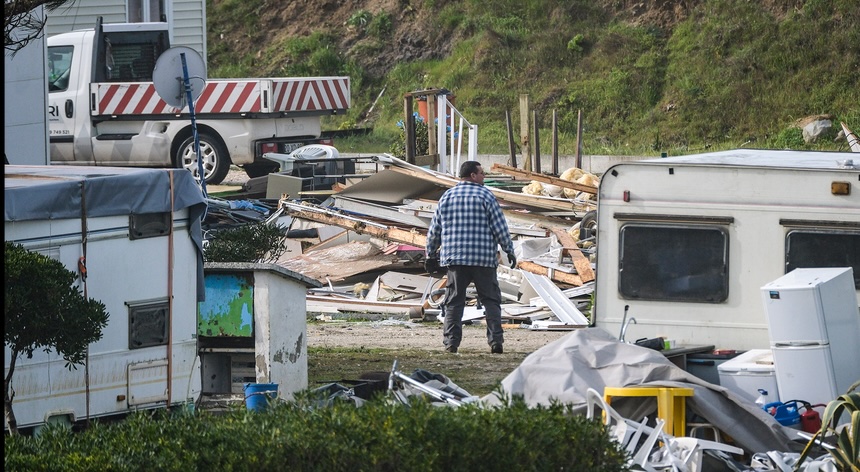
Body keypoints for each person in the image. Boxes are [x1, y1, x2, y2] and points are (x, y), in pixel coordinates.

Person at [425, 161, 516, 354]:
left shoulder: (447, 197)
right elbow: (500, 228)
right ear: (473, 175)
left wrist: (430, 254)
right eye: (482, 173)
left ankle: (451, 343)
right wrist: (509, 249)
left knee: (454, 301)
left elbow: (435, 230)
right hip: (483, 259)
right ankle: (495, 342)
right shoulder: (486, 196)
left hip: (456, 259)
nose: (484, 176)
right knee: (491, 301)